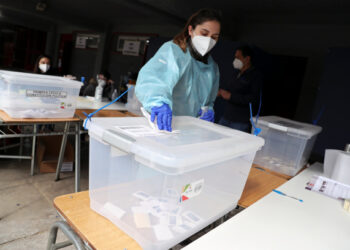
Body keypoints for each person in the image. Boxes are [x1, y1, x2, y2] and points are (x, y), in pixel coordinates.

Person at [135, 9, 221, 132]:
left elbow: (209, 100)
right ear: (191, 30)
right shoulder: (174, 52)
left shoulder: (212, 68)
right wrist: (158, 102)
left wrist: (208, 110)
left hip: (190, 130)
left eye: (214, 37)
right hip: (165, 125)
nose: (209, 40)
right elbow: (152, 81)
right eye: (204, 33)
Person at [217, 45, 263, 132]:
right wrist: (220, 93)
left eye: (238, 57)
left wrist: (231, 96)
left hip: (240, 122)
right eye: (235, 57)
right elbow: (229, 90)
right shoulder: (236, 73)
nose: (235, 60)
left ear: (247, 59)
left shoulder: (255, 76)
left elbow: (253, 99)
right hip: (226, 117)